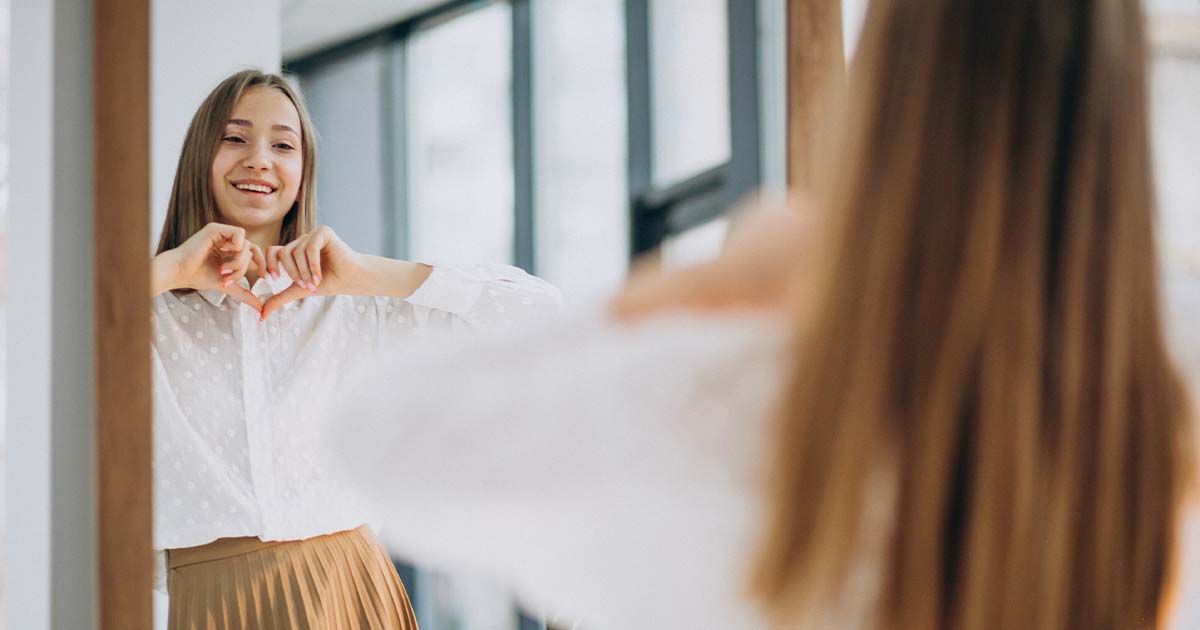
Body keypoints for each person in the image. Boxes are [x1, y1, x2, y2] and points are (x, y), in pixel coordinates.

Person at [323, 0, 1197, 628]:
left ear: (889, 98)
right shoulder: (1162, 411)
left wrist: (704, 283)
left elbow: (377, 436)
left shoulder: (766, 393)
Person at [149, 69, 561, 629]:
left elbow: (538, 314)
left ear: (303, 172)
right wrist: (170, 270)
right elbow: (33, 330)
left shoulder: (356, 307)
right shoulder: (149, 315)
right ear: (202, 155)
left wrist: (372, 274)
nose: (259, 159)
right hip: (214, 599)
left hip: (347, 586)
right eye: (235, 138)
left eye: (283, 145)